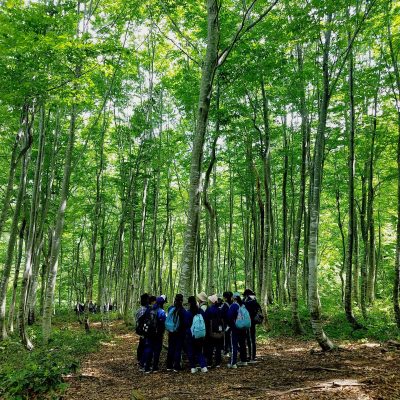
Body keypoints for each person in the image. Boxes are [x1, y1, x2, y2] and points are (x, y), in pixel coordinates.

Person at [143, 296, 166, 373]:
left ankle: (147, 367)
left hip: (149, 333)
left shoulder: (149, 309)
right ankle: (155, 367)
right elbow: (163, 323)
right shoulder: (161, 312)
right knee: (157, 350)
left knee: (149, 349)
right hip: (158, 334)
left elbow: (145, 319)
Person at [186, 296, 208, 373]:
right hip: (200, 334)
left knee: (190, 351)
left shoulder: (188, 312)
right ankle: (204, 366)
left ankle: (193, 367)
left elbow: (186, 324)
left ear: (189, 303)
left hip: (191, 335)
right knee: (199, 350)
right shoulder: (200, 311)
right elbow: (205, 320)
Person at [227, 292, 247, 368]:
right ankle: (244, 360)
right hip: (242, 328)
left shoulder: (234, 306)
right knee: (242, 344)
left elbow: (229, 316)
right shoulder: (242, 305)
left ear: (234, 298)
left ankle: (233, 363)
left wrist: (230, 324)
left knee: (233, 345)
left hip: (234, 328)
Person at [166, 294, 186, 371]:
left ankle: (169, 366)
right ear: (181, 301)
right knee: (178, 349)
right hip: (179, 333)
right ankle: (176, 366)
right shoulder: (182, 310)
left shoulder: (171, 308)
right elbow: (185, 322)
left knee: (171, 348)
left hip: (171, 332)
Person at [205, 294, 224, 368]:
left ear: (211, 301)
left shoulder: (209, 309)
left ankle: (209, 363)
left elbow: (206, 320)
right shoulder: (220, 309)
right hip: (219, 331)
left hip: (211, 331)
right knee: (218, 347)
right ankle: (217, 363)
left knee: (210, 347)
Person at [243, 289, 261, 363]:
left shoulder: (248, 301)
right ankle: (252, 355)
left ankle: (251, 357)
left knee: (250, 340)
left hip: (249, 322)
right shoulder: (254, 301)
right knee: (252, 339)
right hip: (252, 322)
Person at [135, 293, 149, 369]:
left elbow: (136, 320)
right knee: (144, 345)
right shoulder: (146, 310)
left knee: (141, 344)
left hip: (140, 330)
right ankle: (143, 361)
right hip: (145, 330)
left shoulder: (139, 310)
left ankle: (140, 359)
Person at [221, 291, 233, 356]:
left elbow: (222, 314)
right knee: (231, 337)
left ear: (225, 298)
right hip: (232, 323)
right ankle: (231, 349)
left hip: (226, 323)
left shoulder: (225, 305)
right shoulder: (233, 303)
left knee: (226, 337)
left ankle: (226, 351)